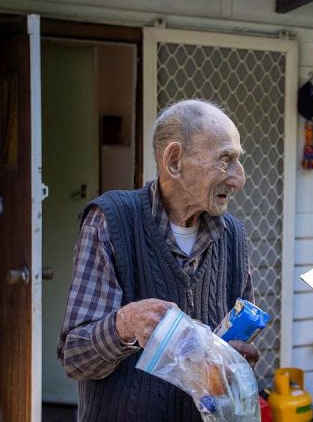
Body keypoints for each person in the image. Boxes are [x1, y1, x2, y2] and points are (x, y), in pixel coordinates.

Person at [57, 99, 259, 422]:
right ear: (174, 161)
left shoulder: (232, 235)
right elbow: (75, 358)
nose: (239, 178)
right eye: (226, 161)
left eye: (238, 162)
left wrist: (234, 363)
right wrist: (125, 324)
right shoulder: (111, 222)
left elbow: (232, 350)